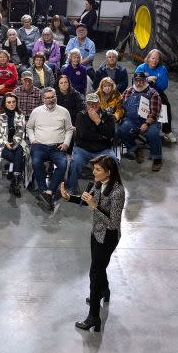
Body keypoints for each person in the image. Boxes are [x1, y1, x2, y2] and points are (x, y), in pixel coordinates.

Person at [59, 154, 124, 333]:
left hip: (108, 237)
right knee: (98, 266)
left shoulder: (118, 191)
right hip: (96, 233)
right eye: (94, 169)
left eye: (97, 170)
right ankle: (104, 291)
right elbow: (86, 199)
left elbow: (113, 224)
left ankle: (94, 316)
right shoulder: (98, 183)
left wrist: (95, 206)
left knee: (94, 273)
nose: (93, 172)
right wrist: (68, 197)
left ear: (108, 172)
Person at [26, 87, 74, 208]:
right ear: (43, 99)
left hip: (57, 147)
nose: (50, 100)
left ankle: (49, 191)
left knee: (63, 165)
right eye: (47, 98)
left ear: (56, 97)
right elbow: (29, 127)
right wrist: (33, 140)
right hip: (39, 146)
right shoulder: (36, 111)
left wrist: (66, 143)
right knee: (36, 163)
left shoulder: (64, 111)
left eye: (53, 97)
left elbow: (69, 129)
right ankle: (43, 189)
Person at [67, 93, 117, 193]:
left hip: (102, 149)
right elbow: (82, 135)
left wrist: (98, 121)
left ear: (99, 104)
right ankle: (71, 188)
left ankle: (110, 187)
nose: (92, 106)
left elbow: (111, 134)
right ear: (86, 104)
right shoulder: (81, 115)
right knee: (75, 162)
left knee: (114, 161)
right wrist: (102, 135)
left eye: (95, 104)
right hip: (83, 149)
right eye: (89, 104)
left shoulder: (108, 116)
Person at [119, 71, 164, 171]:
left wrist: (146, 123)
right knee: (123, 129)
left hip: (150, 121)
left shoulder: (153, 93)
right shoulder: (128, 91)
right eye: (137, 81)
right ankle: (135, 149)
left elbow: (155, 112)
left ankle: (157, 158)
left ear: (145, 81)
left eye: (141, 81)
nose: (139, 83)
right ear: (133, 81)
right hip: (132, 120)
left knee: (152, 133)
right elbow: (121, 107)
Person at [0, 93, 29, 197]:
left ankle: (15, 182)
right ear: (4, 103)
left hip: (16, 141)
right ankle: (14, 178)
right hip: (1, 144)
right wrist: (5, 143)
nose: (11, 104)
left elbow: (20, 131)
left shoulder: (20, 114)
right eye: (9, 102)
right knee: (17, 157)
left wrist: (15, 143)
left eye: (13, 102)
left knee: (19, 150)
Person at [136, 48, 177, 143]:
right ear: (148, 58)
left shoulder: (162, 69)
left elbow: (164, 85)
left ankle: (167, 130)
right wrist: (147, 80)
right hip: (142, 92)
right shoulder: (141, 68)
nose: (155, 61)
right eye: (153, 58)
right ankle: (140, 128)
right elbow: (135, 83)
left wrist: (155, 80)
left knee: (166, 105)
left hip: (157, 92)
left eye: (157, 59)